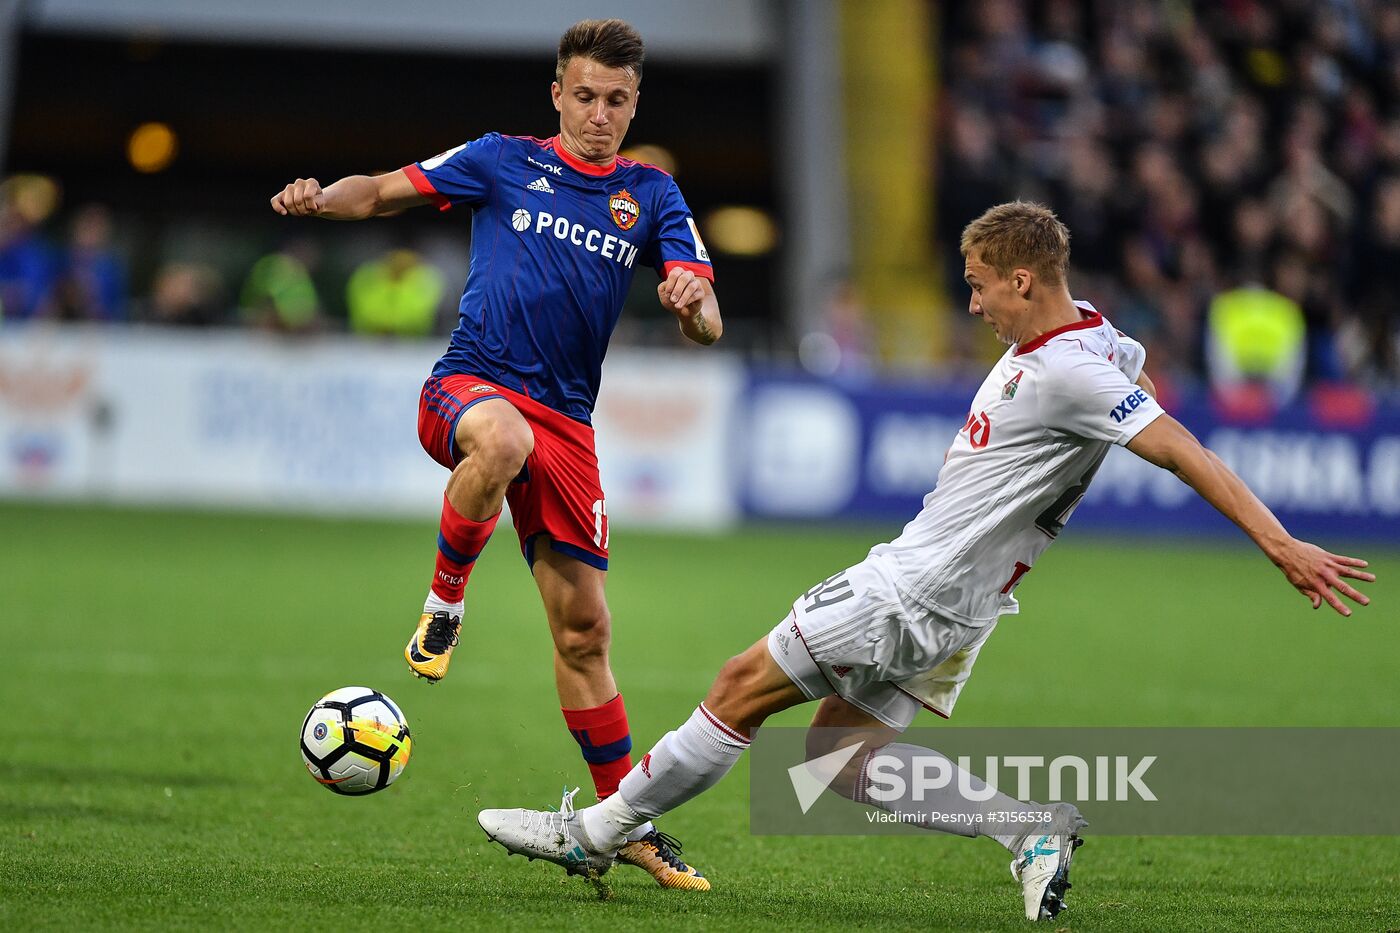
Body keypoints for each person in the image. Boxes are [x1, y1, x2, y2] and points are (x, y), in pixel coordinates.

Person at [477, 202, 1373, 921]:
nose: (973, 304)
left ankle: (593, 831)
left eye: (983, 286)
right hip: (967, 605)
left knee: (738, 687)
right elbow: (1119, 352)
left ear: (1025, 280)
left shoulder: (1076, 372)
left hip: (915, 586)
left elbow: (1182, 447)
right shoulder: (1091, 339)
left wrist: (1280, 542)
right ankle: (1031, 829)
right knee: (839, 756)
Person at [270, 19, 721, 890]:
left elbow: (707, 316)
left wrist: (689, 301)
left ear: (634, 104)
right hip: (470, 389)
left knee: (586, 632)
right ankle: (444, 602)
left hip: (568, 428)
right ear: (557, 93)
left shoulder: (651, 194)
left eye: (616, 100)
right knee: (503, 439)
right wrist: (321, 197)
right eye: (584, 96)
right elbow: (384, 191)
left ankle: (625, 818)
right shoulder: (501, 158)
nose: (599, 114)